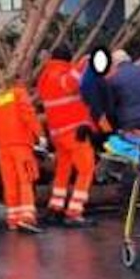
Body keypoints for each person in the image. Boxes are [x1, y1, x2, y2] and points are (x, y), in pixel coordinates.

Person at [36, 45, 97, 227]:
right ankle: (74, 212)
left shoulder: (45, 77)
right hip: (74, 131)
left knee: (63, 170)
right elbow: (73, 82)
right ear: (67, 59)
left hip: (58, 133)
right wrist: (86, 61)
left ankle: (56, 207)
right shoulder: (62, 74)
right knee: (86, 169)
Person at [0, 82, 45, 234]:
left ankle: (13, 219)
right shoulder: (19, 93)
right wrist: (40, 135)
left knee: (10, 183)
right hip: (20, 143)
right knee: (25, 180)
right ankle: (27, 218)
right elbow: (28, 114)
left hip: (2, 147)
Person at [105, 50, 140, 133]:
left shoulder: (112, 78)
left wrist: (115, 126)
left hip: (126, 122)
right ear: (129, 59)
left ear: (114, 64)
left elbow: (111, 108)